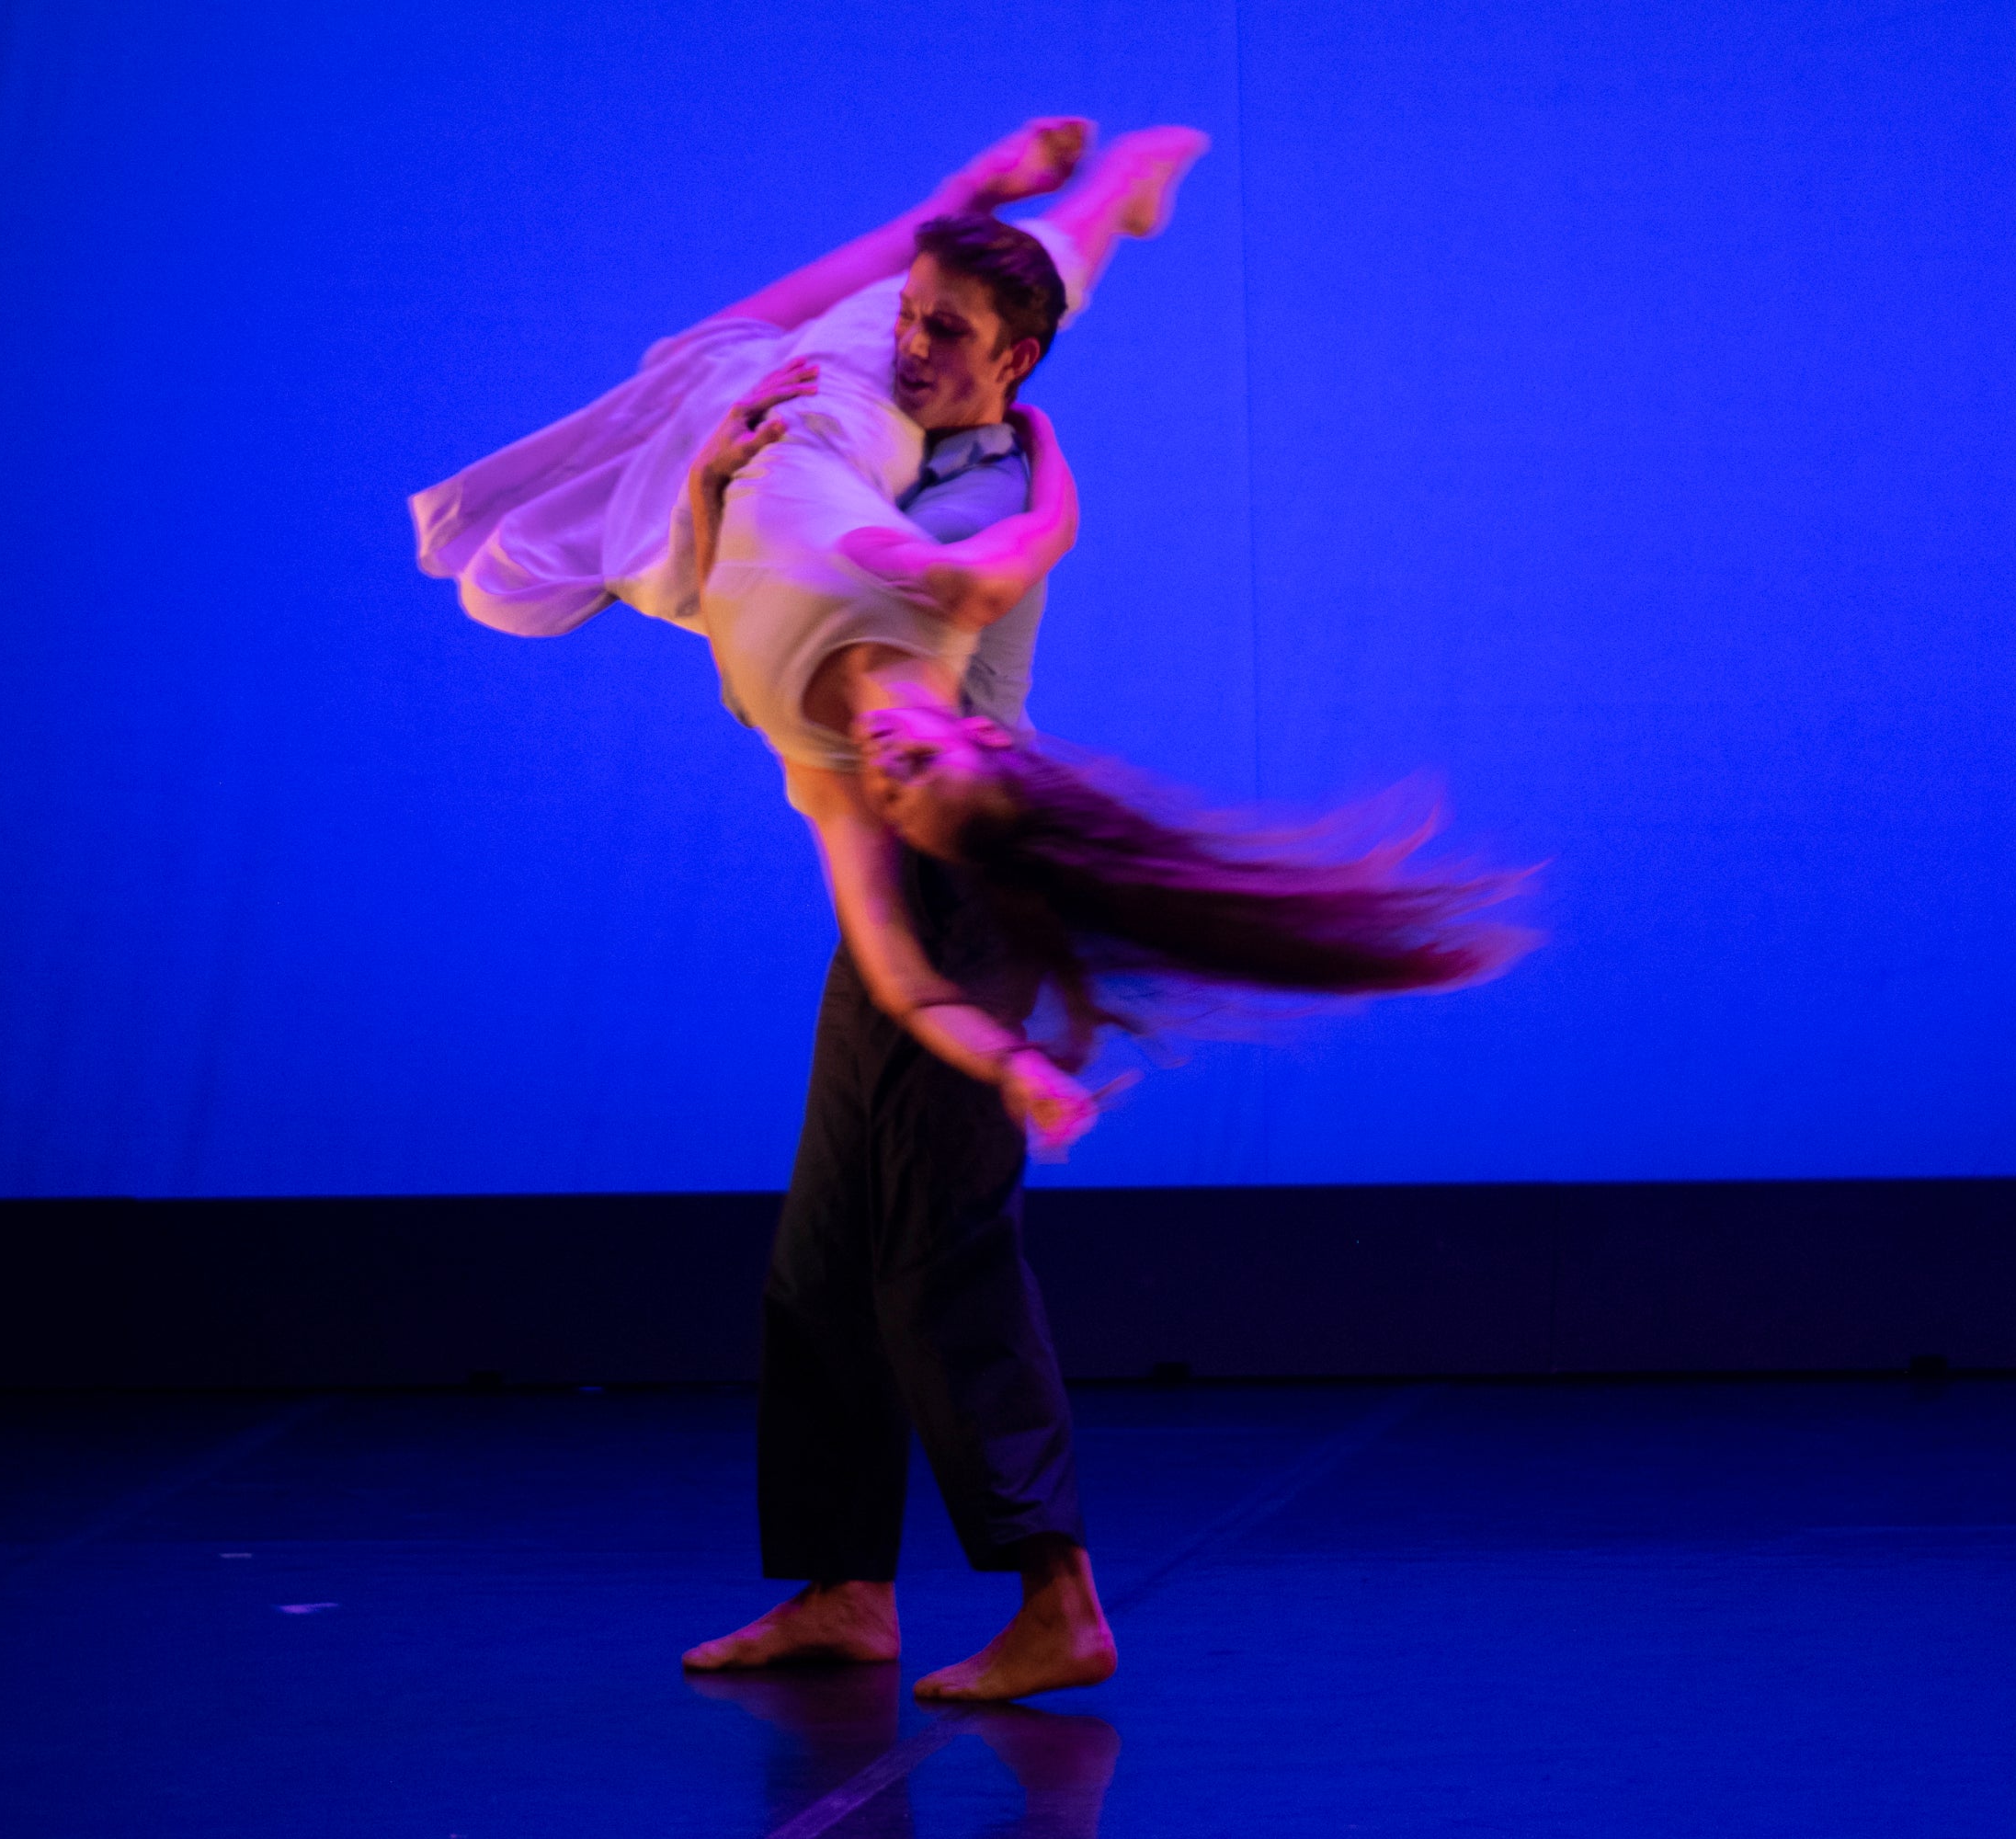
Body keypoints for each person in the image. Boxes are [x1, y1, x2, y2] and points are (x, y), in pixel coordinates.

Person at [414, 121, 1525, 1701]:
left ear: (1011, 376)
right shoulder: (905, 432)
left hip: (967, 876)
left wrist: (1052, 461)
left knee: (935, 1249)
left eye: (953, 344)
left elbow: (1009, 540)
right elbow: (942, 299)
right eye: (919, 327)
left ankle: (1053, 1592)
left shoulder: (951, 514)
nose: (916, 347)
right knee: (820, 1252)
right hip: (909, 862)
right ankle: (842, 1587)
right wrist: (1056, 202)